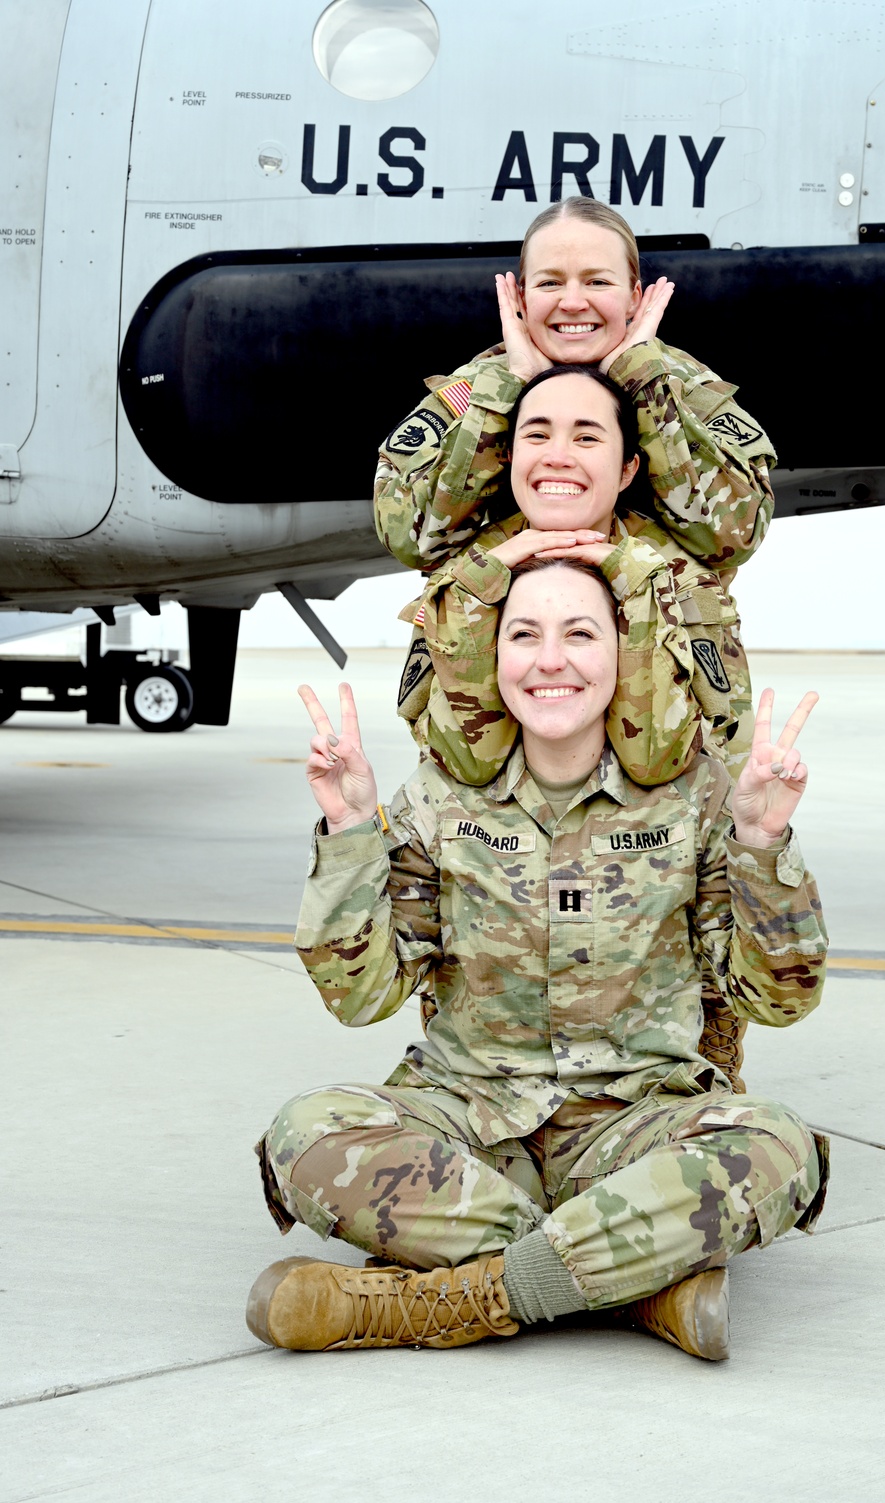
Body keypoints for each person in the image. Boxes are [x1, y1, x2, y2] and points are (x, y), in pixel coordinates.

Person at [247, 557, 828, 1362]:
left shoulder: (697, 797)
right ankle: (637, 1286)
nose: (550, 657)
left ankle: (423, 1304)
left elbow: (778, 998)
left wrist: (762, 844)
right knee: (304, 1133)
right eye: (525, 633)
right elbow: (361, 996)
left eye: (580, 633)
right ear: (496, 657)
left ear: (621, 657)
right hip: (470, 1125)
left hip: (635, 1125)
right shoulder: (439, 799)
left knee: (777, 1145)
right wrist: (349, 832)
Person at [375, 197, 777, 782]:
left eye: (598, 281)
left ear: (636, 296)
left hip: (661, 664)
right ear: (518, 297)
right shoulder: (477, 392)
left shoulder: (681, 389)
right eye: (549, 282)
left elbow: (732, 534)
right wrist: (508, 394)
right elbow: (409, 534)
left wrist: (641, 380)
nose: (572, 302)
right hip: (510, 687)